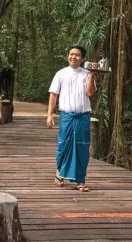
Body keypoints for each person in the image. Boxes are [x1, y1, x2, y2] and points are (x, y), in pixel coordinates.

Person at [46, 44, 97, 192]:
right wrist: (49, 114)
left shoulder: (87, 73)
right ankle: (60, 172)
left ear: (82, 58)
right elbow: (53, 95)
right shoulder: (60, 74)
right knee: (63, 145)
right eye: (71, 54)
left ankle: (80, 181)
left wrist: (92, 75)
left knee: (82, 147)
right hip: (66, 116)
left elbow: (90, 93)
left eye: (77, 55)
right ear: (68, 56)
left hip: (83, 116)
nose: (73, 57)